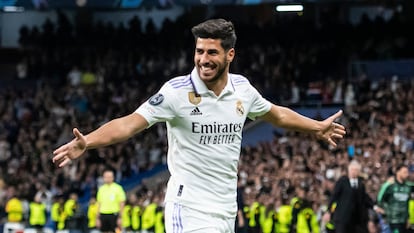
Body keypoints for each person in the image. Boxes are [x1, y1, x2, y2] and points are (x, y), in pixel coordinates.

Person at [52, 18, 346, 233]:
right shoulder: (176, 92)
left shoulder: (242, 89)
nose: (203, 59)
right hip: (188, 205)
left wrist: (316, 127)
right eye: (199, 51)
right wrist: (88, 141)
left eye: (211, 52)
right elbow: (130, 124)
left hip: (225, 208)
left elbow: (277, 114)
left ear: (230, 55)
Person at [323, 160, 382, 233]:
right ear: (348, 170)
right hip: (343, 219)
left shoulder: (360, 184)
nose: (354, 172)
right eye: (352, 170)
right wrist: (328, 211)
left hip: (356, 220)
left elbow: (365, 198)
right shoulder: (342, 181)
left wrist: (375, 207)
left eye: (356, 170)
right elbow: (334, 196)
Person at [377, 164, 411, 233]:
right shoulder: (390, 185)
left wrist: (408, 218)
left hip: (404, 220)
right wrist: (386, 185)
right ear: (398, 172)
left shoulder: (409, 186)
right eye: (404, 172)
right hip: (393, 220)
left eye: (407, 172)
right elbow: (380, 198)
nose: (407, 174)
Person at [96, 168, 126, 233]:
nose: (107, 178)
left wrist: (120, 217)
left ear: (113, 177)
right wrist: (97, 218)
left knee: (117, 231)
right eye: (105, 177)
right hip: (103, 214)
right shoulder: (101, 189)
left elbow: (122, 203)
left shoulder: (118, 188)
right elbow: (99, 204)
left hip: (114, 214)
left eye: (109, 177)